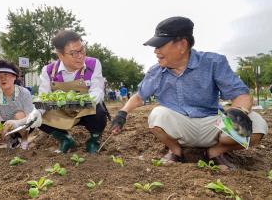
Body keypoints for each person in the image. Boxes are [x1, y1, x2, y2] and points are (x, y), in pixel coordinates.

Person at [110, 16, 268, 170]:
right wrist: (123, 113)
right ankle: (175, 150)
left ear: (182, 45)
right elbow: (139, 96)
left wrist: (239, 114)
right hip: (180, 126)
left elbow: (241, 95)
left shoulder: (213, 62)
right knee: (157, 115)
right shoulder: (156, 71)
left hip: (212, 123)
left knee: (256, 125)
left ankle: (215, 151)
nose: (156, 51)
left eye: (160, 45)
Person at [26, 30, 107, 154]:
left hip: (85, 110)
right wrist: (36, 111)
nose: (80, 56)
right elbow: (44, 97)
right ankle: (65, 139)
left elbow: (97, 91)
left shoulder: (93, 64)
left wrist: (79, 103)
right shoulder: (48, 71)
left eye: (82, 50)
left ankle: (94, 140)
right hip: (62, 111)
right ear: (60, 55)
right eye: (73, 53)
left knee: (99, 111)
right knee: (38, 116)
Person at [0, 60, 34, 149]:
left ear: (14, 77)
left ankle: (24, 140)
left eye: (6, 75)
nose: (2, 78)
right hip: (5, 123)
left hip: (24, 123)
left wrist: (16, 123)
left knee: (19, 114)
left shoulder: (24, 93)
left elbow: (30, 117)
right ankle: (12, 138)